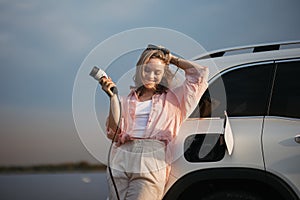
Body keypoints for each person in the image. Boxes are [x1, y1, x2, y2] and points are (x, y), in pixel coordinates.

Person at [100, 45, 209, 200]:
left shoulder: (175, 98)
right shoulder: (124, 100)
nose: (151, 76)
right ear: (139, 69)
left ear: (163, 72)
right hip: (121, 157)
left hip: (152, 157)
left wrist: (170, 59)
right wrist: (112, 99)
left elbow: (199, 74)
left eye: (157, 72)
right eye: (146, 70)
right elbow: (113, 134)